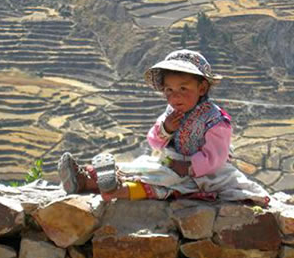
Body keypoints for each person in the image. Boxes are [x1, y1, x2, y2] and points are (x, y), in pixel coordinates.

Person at [58, 49, 270, 206]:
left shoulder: (215, 121)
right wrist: (166, 128)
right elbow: (155, 141)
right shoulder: (171, 113)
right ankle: (86, 179)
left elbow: (216, 157)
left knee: (160, 182)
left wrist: (189, 168)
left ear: (202, 88)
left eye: (183, 88)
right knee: (139, 167)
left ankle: (115, 190)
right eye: (169, 90)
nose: (174, 96)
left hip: (204, 173)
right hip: (170, 161)